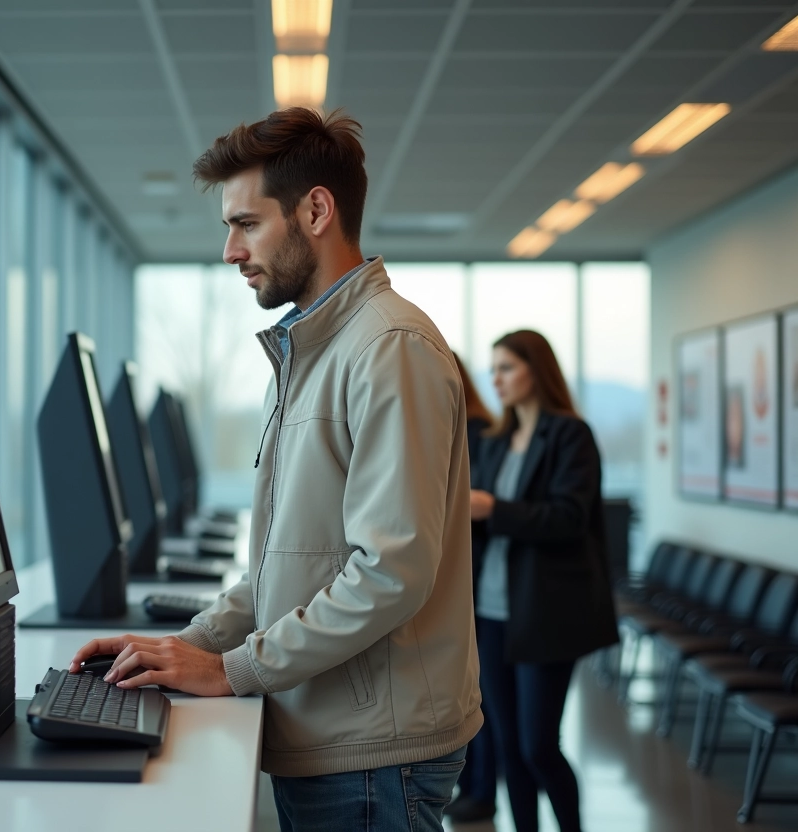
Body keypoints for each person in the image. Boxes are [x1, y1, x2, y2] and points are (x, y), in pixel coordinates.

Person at [70, 107, 481, 832]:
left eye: (247, 223)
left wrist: (233, 670)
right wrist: (188, 646)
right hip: (337, 734)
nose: (231, 250)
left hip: (372, 753)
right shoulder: (310, 352)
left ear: (315, 209)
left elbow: (391, 571)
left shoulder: (389, 348)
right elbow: (288, 566)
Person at [469, 330, 619, 832]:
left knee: (538, 745)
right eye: (493, 369)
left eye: (507, 367)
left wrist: (494, 508)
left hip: (546, 612)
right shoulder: (494, 442)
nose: (496, 379)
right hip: (490, 611)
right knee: (508, 744)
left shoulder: (570, 435)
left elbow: (569, 518)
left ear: (537, 370)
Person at [445, 352, 500, 824]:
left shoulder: (478, 430)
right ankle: (474, 783)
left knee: (480, 695)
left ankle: (482, 789)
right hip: (469, 576)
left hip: (479, 576)